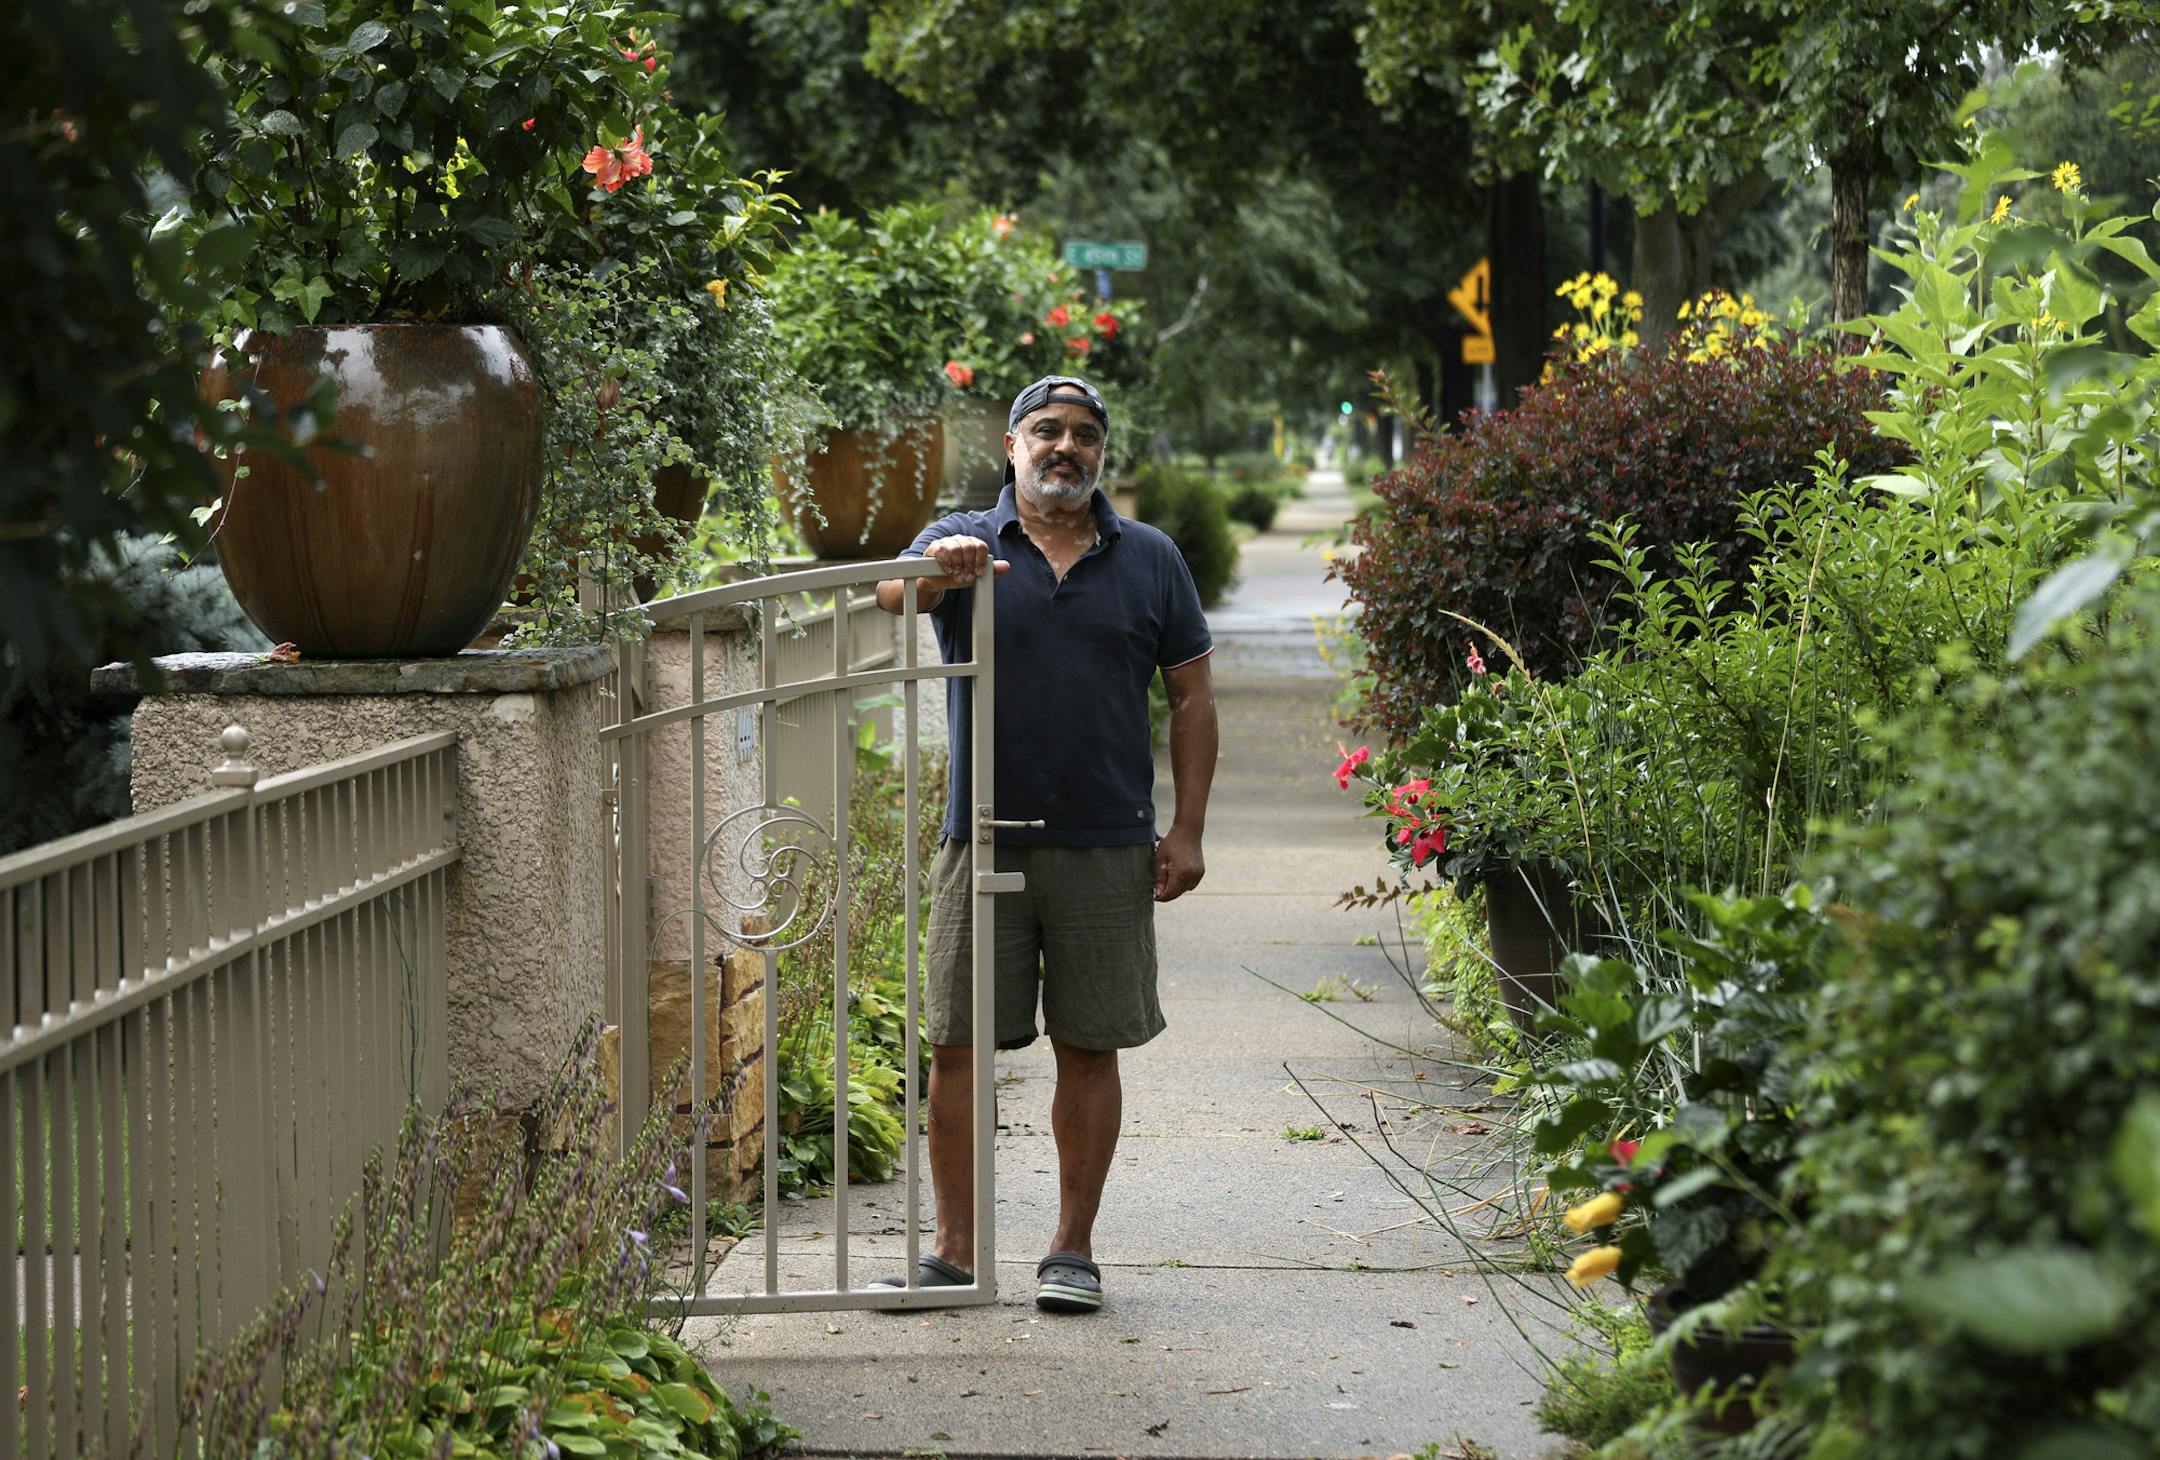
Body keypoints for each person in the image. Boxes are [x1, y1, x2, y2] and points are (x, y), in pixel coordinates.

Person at [872, 375, 1218, 1313]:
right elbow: (888, 593)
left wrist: (1184, 829)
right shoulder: (967, 540)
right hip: (978, 839)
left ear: (1102, 452)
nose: (1065, 447)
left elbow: (1191, 698)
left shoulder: (1150, 557)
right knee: (955, 1045)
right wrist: (938, 566)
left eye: (1084, 435)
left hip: (1107, 843)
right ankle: (952, 1253)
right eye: (1046, 431)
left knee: (1090, 1047)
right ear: (1014, 446)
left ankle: (1072, 1250)